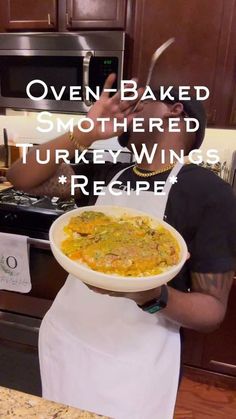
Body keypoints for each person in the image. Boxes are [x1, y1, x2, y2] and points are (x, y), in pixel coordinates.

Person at [7, 74, 236, 419]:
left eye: (139, 104)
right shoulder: (104, 173)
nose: (127, 111)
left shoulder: (210, 194)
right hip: (68, 339)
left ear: (175, 110)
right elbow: (20, 176)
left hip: (132, 362)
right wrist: (86, 131)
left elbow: (212, 310)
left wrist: (149, 295)